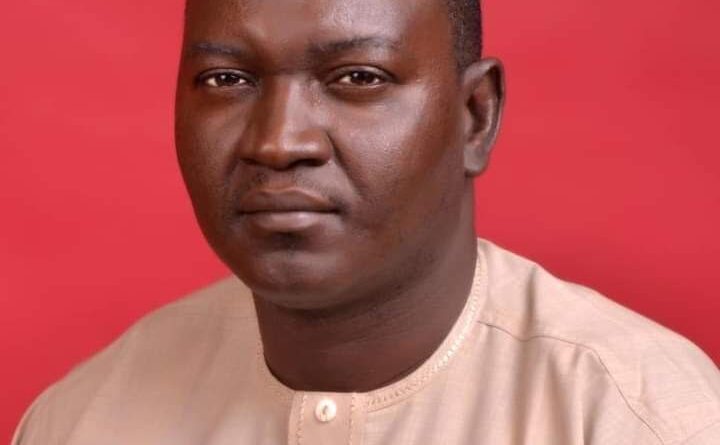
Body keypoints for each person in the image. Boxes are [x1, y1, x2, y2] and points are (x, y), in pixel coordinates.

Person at [12, 0, 720, 443]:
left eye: (358, 77)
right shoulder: (82, 422)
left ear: (474, 116)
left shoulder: (641, 417)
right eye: (227, 80)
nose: (278, 142)